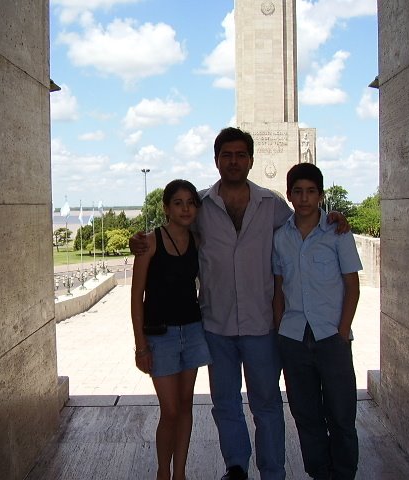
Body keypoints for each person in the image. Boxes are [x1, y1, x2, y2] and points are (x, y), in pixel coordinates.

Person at [130, 127, 349, 480]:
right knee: (226, 404)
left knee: (267, 405)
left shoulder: (273, 205)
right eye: (226, 155)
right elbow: (173, 227)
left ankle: (273, 471)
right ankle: (236, 467)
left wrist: (333, 218)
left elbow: (304, 221)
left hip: (262, 324)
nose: (233, 161)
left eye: (240, 155)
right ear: (216, 160)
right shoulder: (201, 206)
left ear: (250, 160)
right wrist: (138, 240)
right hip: (215, 325)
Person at [272, 163, 361, 480]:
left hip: (331, 338)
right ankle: (320, 472)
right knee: (306, 413)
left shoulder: (338, 233)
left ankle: (344, 472)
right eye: (298, 191)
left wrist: (342, 330)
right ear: (289, 195)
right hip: (294, 338)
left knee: (341, 413)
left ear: (321, 195)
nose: (305, 198)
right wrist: (281, 328)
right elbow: (279, 288)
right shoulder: (281, 238)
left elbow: (352, 285)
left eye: (311, 191)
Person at [131, 179, 212, 480]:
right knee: (171, 410)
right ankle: (163, 471)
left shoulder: (197, 241)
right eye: (178, 202)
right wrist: (140, 346)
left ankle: (181, 472)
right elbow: (136, 297)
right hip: (160, 336)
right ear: (166, 208)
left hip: (192, 331)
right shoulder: (150, 242)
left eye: (190, 202)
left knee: (187, 407)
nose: (185, 208)